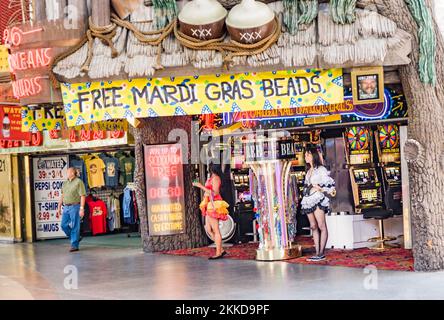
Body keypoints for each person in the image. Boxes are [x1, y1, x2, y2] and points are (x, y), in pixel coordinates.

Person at [300, 147, 336, 261]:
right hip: (308, 199)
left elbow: (330, 187)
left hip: (318, 198)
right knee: (313, 226)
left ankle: (321, 253)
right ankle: (317, 252)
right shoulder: (309, 171)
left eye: (308, 154)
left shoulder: (321, 169)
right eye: (305, 155)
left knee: (321, 225)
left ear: (314, 155)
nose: (306, 157)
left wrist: (320, 188)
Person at [193, 163, 230, 260]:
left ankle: (218, 252)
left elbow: (215, 193)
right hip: (209, 204)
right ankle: (220, 249)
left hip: (214, 204)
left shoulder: (216, 178)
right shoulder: (211, 178)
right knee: (208, 229)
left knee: (215, 229)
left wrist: (201, 186)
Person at [57, 167, 86, 252]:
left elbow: (82, 195)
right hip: (66, 207)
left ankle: (74, 245)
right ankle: (75, 237)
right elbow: (62, 196)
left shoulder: (79, 182)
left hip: (75, 206)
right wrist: (59, 207)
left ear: (73, 173)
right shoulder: (65, 183)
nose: (66, 173)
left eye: (68, 172)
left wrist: (82, 208)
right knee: (63, 225)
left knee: (75, 225)